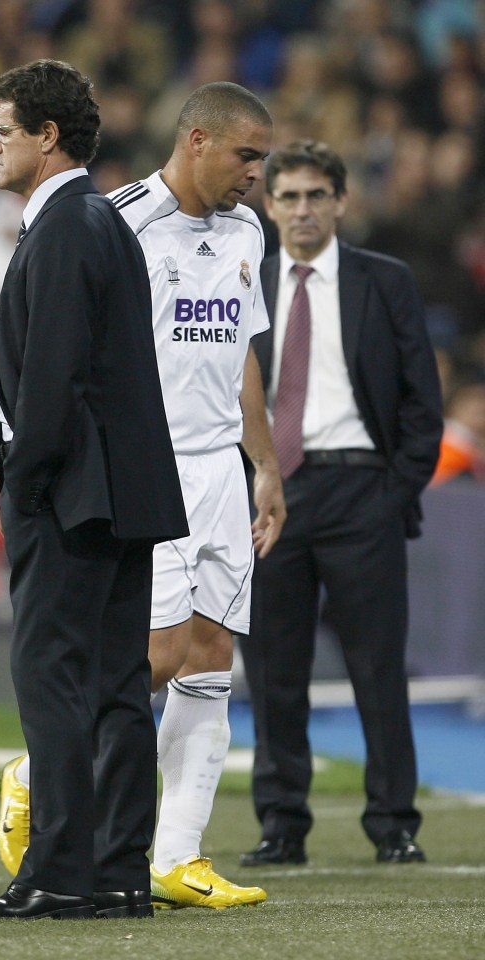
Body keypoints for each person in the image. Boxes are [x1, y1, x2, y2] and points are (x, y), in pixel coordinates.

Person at [0, 80, 286, 909]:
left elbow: (243, 353)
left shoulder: (246, 232)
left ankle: (176, 857)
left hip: (220, 471)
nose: (253, 177)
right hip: (144, 471)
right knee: (146, 661)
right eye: (246, 157)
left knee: (213, 660)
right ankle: (39, 773)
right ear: (197, 140)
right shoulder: (117, 219)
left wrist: (262, 464)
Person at [0, 59, 188, 922]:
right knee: (117, 680)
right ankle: (120, 870)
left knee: (51, 674)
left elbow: (47, 384)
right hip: (123, 494)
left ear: (47, 137)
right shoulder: (102, 220)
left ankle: (57, 870)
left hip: (70, 497)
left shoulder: (62, 226)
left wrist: (24, 483)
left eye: (5, 129)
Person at [238, 140, 443, 868]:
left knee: (377, 670)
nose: (301, 209)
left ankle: (394, 824)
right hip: (271, 496)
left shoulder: (384, 281)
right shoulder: (244, 283)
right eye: (287, 196)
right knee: (272, 671)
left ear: (341, 202)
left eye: (314, 195)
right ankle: (281, 824)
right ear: (268, 206)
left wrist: (393, 495)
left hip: (363, 494)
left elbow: (424, 401)